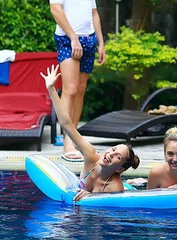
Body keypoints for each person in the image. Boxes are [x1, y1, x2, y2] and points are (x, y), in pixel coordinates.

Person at [41, 65, 140, 202]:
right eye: (113, 149)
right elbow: (66, 124)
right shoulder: (91, 155)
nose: (111, 154)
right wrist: (51, 89)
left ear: (120, 169)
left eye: (118, 157)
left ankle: (132, 183)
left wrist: (91, 196)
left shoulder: (115, 188)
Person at [48, 0, 106, 162]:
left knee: (81, 90)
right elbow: (56, 9)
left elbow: (93, 12)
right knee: (69, 89)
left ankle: (76, 138)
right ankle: (67, 143)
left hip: (89, 39)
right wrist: (73, 37)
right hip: (67, 39)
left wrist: (101, 42)